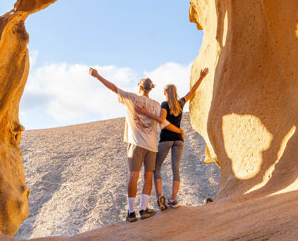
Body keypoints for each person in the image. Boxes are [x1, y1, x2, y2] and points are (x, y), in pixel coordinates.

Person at [89, 68, 168, 222]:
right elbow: (161, 120)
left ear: (140, 87)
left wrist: (97, 76)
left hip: (136, 143)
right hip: (151, 145)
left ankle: (131, 212)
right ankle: (144, 209)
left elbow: (113, 88)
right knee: (148, 177)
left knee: (133, 175)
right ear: (151, 89)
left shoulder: (131, 98)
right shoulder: (157, 105)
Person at [154, 67, 209, 209]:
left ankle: (159, 196)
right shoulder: (180, 103)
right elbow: (192, 92)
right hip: (179, 140)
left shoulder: (164, 104)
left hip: (166, 139)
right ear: (176, 92)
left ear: (165, 93)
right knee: (175, 169)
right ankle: (173, 199)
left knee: (156, 167)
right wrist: (201, 77)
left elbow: (163, 121)